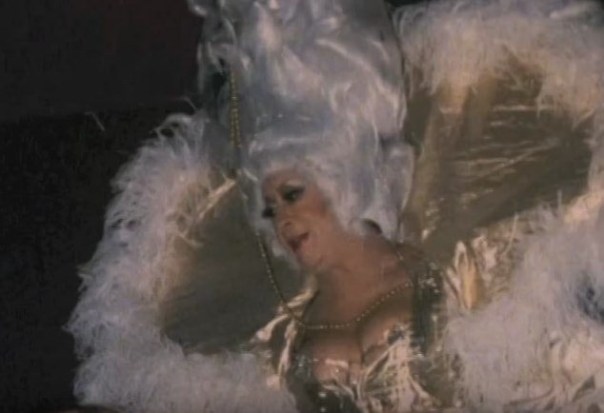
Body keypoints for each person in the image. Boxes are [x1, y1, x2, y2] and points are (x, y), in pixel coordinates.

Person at [68, 0, 604, 412]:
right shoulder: (281, 319)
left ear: (342, 178)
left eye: (292, 194)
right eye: (270, 208)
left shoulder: (438, 265)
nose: (283, 219)